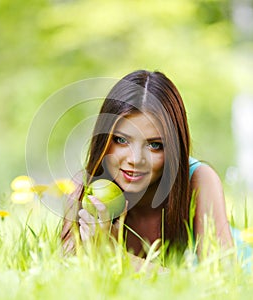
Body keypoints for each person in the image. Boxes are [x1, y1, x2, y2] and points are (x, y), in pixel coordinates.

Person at [61, 70, 233, 260]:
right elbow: (64, 272)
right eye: (121, 140)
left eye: (154, 145)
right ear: (104, 139)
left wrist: (114, 255)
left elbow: (221, 280)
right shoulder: (85, 188)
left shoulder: (199, 181)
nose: (135, 159)